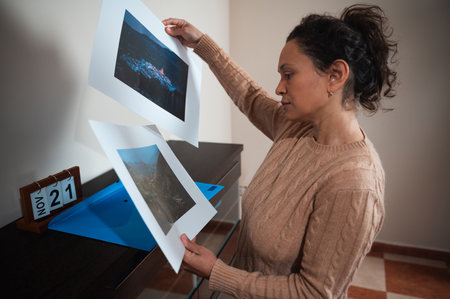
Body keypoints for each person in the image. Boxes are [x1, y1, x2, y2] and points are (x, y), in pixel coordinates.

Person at [164, 4, 397, 298]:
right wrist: (202, 45)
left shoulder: (354, 184)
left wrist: (217, 272)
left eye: (288, 75)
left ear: (335, 75)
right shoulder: (297, 127)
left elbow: (312, 293)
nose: (278, 87)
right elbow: (250, 95)